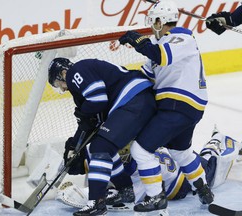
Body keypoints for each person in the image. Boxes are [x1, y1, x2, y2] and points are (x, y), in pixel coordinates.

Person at [118, 0, 213, 214]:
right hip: (184, 108)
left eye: (154, 22)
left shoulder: (182, 37)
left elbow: (161, 56)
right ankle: (203, 188)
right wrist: (116, 75)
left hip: (178, 105)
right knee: (182, 153)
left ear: (160, 22)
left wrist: (138, 41)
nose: (152, 27)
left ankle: (155, 197)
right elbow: (146, 75)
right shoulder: (162, 46)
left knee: (140, 150)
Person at [47, 57, 157, 216]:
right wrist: (74, 146)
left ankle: (96, 203)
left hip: (133, 100)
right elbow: (92, 122)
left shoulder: (75, 71)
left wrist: (84, 113)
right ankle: (125, 188)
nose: (63, 89)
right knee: (95, 147)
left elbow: (97, 99)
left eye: (58, 84)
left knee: (101, 147)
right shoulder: (82, 83)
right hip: (136, 101)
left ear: (62, 73)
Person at [56, 128, 241, 210]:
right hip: (171, 160)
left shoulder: (133, 164)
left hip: (181, 182)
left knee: (214, 162)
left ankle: (221, 139)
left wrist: (93, 194)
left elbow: (126, 193)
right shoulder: (125, 146)